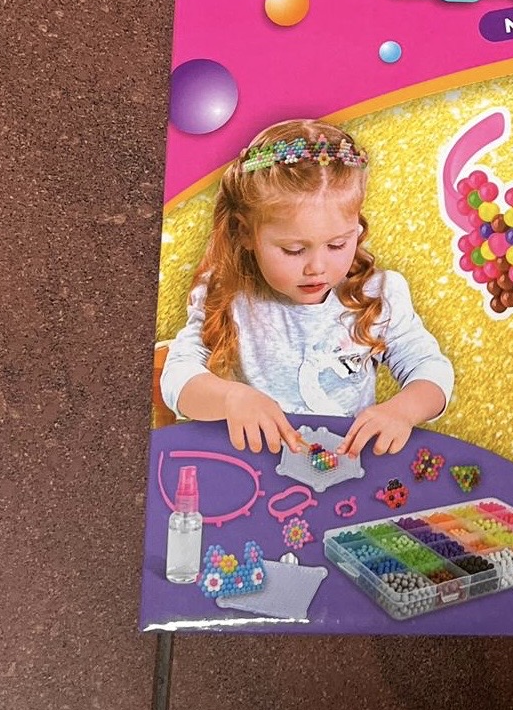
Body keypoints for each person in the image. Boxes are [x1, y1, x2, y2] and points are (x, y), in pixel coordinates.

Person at [160, 118, 453, 458]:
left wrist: (403, 410)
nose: (317, 267)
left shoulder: (379, 294)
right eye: (294, 250)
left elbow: (430, 368)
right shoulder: (228, 293)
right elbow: (177, 376)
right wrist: (231, 398)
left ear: (356, 229)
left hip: (345, 470)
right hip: (252, 469)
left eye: (337, 244)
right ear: (246, 234)